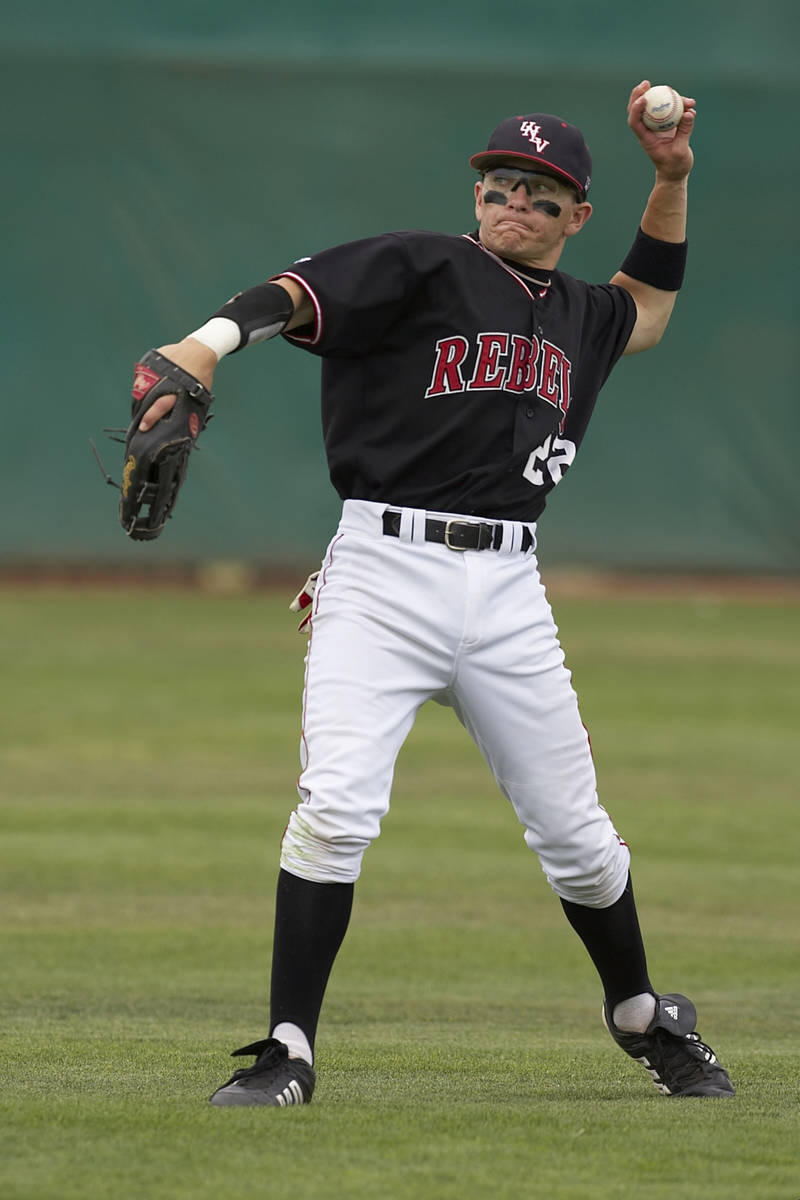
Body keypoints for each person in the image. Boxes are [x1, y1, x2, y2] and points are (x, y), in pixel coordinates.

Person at [135, 80, 734, 1106]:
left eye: (543, 196)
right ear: (477, 191)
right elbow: (291, 294)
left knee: (581, 841)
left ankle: (638, 1013)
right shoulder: (421, 264)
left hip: (507, 586)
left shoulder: (584, 316)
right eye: (502, 183)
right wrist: (203, 345)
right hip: (382, 571)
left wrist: (671, 176)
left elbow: (651, 301)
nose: (517, 204)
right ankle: (288, 1050)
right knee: (333, 809)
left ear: (575, 216)